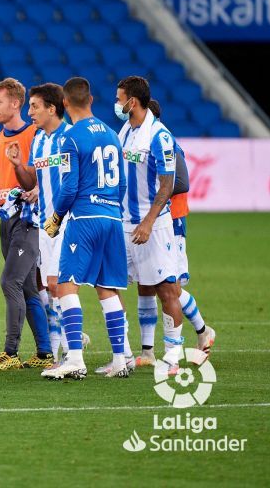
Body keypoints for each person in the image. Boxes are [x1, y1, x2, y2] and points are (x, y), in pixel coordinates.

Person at [115, 77, 215, 373]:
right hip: (124, 223)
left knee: (167, 289)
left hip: (154, 224)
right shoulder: (126, 131)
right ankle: (143, 351)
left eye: (120, 99)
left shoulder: (158, 136)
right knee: (140, 286)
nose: (117, 105)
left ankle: (173, 355)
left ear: (132, 101)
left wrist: (148, 221)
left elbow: (169, 184)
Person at [39, 77, 130, 380]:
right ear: (91, 100)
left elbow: (69, 187)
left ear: (64, 104)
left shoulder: (71, 138)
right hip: (113, 218)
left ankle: (75, 358)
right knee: (106, 287)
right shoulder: (113, 134)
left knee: (66, 284)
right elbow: (123, 184)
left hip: (84, 219)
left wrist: (56, 218)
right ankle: (120, 359)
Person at [5, 83, 87, 366]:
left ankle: (68, 349)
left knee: (58, 284)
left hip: (66, 223)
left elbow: (74, 182)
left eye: (35, 106)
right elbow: (34, 180)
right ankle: (62, 345)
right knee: (51, 288)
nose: (30, 113)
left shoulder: (70, 137)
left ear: (53, 108)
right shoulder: (39, 140)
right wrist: (18, 166)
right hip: (44, 223)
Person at [0, 78, 52, 370]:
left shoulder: (36, 134)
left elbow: (44, 176)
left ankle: (11, 352)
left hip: (30, 221)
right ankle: (45, 353)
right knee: (27, 288)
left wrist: (37, 191)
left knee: (10, 282)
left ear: (15, 103)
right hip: (8, 221)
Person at [145, 99, 212, 361]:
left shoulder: (164, 139)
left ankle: (202, 331)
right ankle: (148, 351)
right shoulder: (144, 138)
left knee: (168, 286)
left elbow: (181, 181)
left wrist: (154, 195)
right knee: (151, 282)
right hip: (153, 219)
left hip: (170, 219)